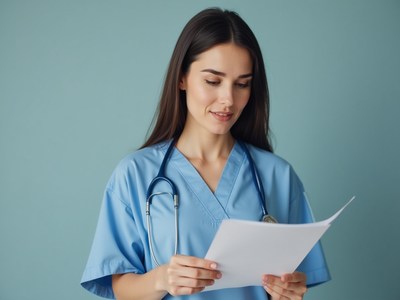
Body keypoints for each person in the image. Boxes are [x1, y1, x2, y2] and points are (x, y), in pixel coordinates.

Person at [81, 8, 330, 300]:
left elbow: (296, 280)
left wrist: (289, 291)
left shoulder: (278, 176)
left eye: (242, 84)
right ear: (182, 78)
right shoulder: (135, 175)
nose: (228, 100)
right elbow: (119, 287)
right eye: (213, 81)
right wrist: (161, 278)